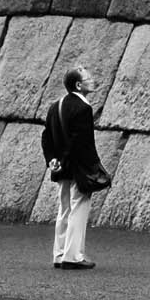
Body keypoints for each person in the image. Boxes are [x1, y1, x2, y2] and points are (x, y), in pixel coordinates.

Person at [41, 65, 106, 270]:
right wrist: (94, 167)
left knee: (64, 208)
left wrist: (53, 159)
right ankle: (73, 256)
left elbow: (46, 137)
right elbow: (82, 142)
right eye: (88, 78)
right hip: (78, 166)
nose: (92, 80)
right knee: (79, 208)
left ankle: (59, 254)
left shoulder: (56, 106)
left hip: (62, 167)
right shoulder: (83, 108)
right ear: (79, 85)